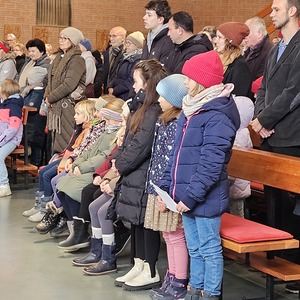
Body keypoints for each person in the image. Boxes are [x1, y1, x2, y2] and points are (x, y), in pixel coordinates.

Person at [159, 50, 240, 300]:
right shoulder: (190, 110)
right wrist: (166, 188)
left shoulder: (217, 115)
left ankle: (210, 294)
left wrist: (191, 196)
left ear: (201, 81)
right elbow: (176, 155)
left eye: (188, 78)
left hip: (205, 196)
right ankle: (195, 292)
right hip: (187, 194)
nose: (184, 82)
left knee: (208, 249)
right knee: (194, 248)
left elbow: (211, 165)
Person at [250, 0, 300, 294]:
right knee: (273, 201)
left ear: (293, 10)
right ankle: (276, 260)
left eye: (277, 9)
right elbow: (263, 88)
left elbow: (295, 93)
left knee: (291, 205)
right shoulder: (277, 47)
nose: (272, 13)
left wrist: (266, 119)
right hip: (270, 135)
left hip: (292, 136)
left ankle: (293, 265)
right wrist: (259, 119)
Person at [113, 59, 167, 291]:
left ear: (147, 83)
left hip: (143, 173)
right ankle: (138, 264)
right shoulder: (141, 106)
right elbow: (128, 139)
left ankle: (150, 269)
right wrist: (120, 159)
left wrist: (121, 164)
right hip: (134, 172)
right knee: (135, 221)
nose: (132, 86)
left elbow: (141, 146)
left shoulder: (153, 110)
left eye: (136, 82)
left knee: (146, 222)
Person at [143, 74, 189, 300]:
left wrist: (167, 191)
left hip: (170, 189)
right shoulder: (165, 120)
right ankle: (171, 275)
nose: (159, 99)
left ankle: (180, 280)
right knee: (167, 235)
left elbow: (173, 159)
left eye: (163, 96)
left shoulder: (177, 124)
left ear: (174, 98)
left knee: (175, 234)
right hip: (160, 187)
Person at [45, 27, 86, 154]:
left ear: (73, 41)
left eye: (65, 38)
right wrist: (47, 96)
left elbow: (69, 84)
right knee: (56, 141)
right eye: (60, 38)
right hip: (56, 105)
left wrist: (51, 98)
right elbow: (50, 82)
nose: (61, 41)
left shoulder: (77, 60)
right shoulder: (59, 58)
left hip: (67, 105)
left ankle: (60, 169)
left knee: (65, 142)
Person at [228, 96, 254, 217]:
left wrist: (227, 181)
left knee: (236, 213)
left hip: (234, 184)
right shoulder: (244, 131)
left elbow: (235, 163)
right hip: (242, 183)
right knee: (239, 209)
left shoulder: (236, 135)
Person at [214, 22, 252, 98]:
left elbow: (237, 97)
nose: (215, 41)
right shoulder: (218, 60)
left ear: (230, 41)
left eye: (220, 37)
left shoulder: (240, 66)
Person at [0, 79, 24, 197]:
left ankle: (4, 185)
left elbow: (13, 128)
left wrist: (1, 140)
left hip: (11, 139)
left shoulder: (14, 105)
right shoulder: (4, 103)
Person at [22, 66, 48, 167]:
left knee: (37, 144)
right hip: (31, 124)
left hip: (36, 124)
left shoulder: (38, 92)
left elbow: (33, 107)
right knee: (33, 143)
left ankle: (36, 163)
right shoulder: (30, 91)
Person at [107, 31, 144, 100]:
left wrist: (115, 90)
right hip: (118, 95)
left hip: (126, 96)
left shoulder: (138, 60)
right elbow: (116, 75)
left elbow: (131, 81)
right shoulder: (125, 57)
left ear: (137, 45)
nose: (126, 45)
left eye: (129, 43)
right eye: (126, 43)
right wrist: (110, 86)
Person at [141, 0, 174, 67]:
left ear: (160, 20)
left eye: (149, 15)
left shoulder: (168, 40)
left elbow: (163, 71)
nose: (144, 17)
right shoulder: (149, 38)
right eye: (145, 14)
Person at [243, 16, 274, 81]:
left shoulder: (270, 51)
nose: (244, 36)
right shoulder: (248, 50)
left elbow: (261, 80)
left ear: (259, 33)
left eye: (247, 33)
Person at [102, 26, 127, 93]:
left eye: (114, 36)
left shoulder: (126, 54)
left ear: (123, 38)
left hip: (118, 90)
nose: (111, 39)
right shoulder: (108, 52)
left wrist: (114, 89)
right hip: (107, 89)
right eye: (110, 36)